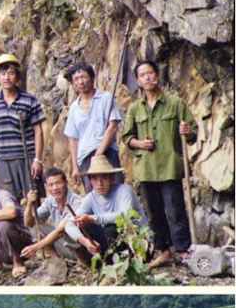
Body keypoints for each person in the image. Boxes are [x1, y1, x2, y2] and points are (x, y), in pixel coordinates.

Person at [122, 60, 198, 267]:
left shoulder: (175, 103)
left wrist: (188, 132)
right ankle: (163, 250)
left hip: (170, 165)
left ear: (157, 75)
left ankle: (183, 250)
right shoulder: (135, 109)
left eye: (150, 73)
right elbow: (127, 137)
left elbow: (193, 132)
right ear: (138, 81)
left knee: (175, 210)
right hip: (145, 169)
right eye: (142, 75)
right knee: (154, 214)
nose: (147, 77)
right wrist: (140, 143)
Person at [0, 54, 45, 200]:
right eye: (3, 74)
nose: (7, 77)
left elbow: (38, 131)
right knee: (9, 198)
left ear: (17, 77)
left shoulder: (29, 100)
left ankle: (35, 223)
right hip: (4, 159)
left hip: (27, 156)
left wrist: (38, 159)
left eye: (11, 73)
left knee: (33, 196)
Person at [64, 155, 149, 259]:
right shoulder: (91, 198)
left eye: (104, 178)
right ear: (90, 181)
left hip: (138, 245)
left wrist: (93, 218)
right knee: (84, 226)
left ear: (112, 178)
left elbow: (124, 216)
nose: (100, 184)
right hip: (111, 245)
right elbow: (69, 224)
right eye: (95, 179)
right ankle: (105, 262)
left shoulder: (124, 191)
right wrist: (85, 242)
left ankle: (118, 263)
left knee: (111, 228)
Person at [63, 62, 122, 193]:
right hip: (85, 158)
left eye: (83, 77)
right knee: (94, 195)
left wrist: (99, 153)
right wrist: (75, 166)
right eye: (76, 79)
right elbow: (73, 139)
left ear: (92, 78)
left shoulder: (105, 98)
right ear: (73, 84)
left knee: (116, 191)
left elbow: (112, 127)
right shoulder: (74, 108)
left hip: (107, 153)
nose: (81, 82)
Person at [21, 167, 84, 262]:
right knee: (35, 226)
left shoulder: (77, 202)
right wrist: (29, 204)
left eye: (58, 183)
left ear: (66, 183)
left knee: (67, 228)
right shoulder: (50, 201)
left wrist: (35, 247)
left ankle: (82, 262)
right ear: (46, 187)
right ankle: (55, 260)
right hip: (63, 246)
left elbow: (61, 230)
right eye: (51, 185)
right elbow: (28, 223)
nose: (55, 188)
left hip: (81, 248)